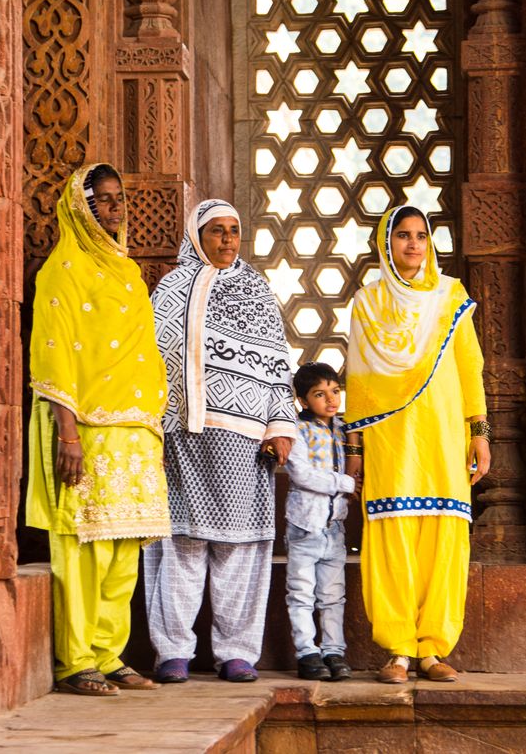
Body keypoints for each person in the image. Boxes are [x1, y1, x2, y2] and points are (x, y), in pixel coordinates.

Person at [25, 162, 171, 697]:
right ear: (81, 206)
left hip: (134, 430)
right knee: (82, 549)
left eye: (118, 200)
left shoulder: (127, 272)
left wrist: (152, 428)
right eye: (103, 201)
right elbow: (55, 351)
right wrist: (67, 434)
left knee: (124, 550)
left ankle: (110, 655)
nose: (115, 210)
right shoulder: (62, 270)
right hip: (83, 428)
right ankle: (76, 660)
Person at [143, 199, 299, 683]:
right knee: (182, 545)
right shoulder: (168, 289)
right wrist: (153, 431)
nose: (228, 240)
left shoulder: (257, 290)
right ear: (196, 235)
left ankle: (237, 652)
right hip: (183, 438)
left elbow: (278, 365)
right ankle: (172, 651)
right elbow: (149, 364)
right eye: (217, 231)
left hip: (247, 442)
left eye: (234, 230)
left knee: (241, 548)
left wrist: (280, 426)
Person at [344, 205, 491, 684]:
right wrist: (357, 447)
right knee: (392, 533)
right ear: (386, 243)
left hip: (444, 435)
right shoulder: (367, 303)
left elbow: (470, 366)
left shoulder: (451, 296)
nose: (412, 244)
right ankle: (398, 650)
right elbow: (361, 384)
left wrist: (479, 431)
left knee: (444, 534)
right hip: (391, 437)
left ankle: (433, 648)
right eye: (403, 235)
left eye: (421, 235)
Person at [284, 362, 357, 682]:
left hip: (334, 527)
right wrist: (345, 484)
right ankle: (306, 653)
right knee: (301, 593)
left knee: (332, 594)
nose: (330, 399)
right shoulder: (296, 430)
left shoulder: (345, 429)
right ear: (302, 400)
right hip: (304, 526)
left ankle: (333, 651)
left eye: (335, 391)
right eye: (319, 394)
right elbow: (301, 474)